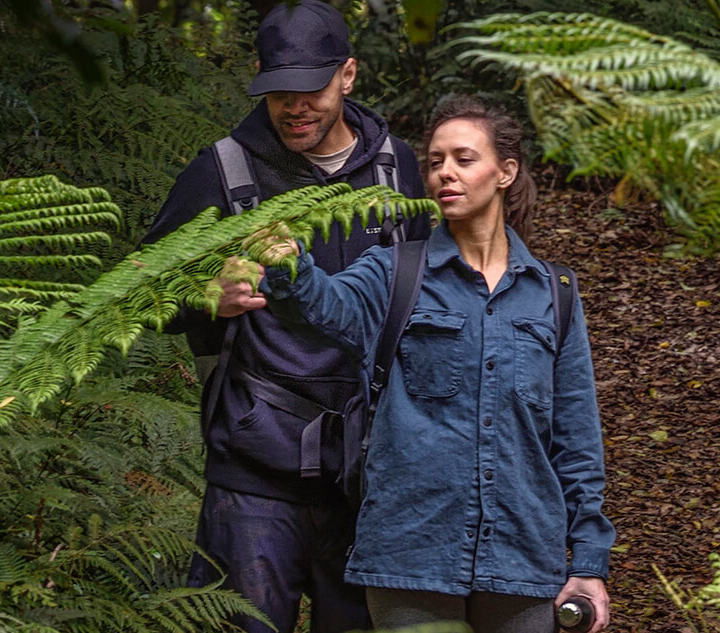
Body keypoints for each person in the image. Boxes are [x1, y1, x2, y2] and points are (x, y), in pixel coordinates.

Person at [249, 96, 614, 633]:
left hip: (523, 561)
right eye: (435, 161)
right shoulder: (395, 273)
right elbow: (324, 306)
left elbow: (576, 440)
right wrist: (287, 264)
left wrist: (588, 563)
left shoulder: (552, 293)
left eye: (464, 159)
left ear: (505, 172)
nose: (445, 172)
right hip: (410, 556)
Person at [139, 2, 430, 632]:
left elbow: (429, 295)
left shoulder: (396, 168)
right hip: (254, 469)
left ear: (347, 76)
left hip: (368, 469)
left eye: (310, 90)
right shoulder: (224, 170)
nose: (294, 108)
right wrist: (200, 296)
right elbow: (136, 294)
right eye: (278, 93)